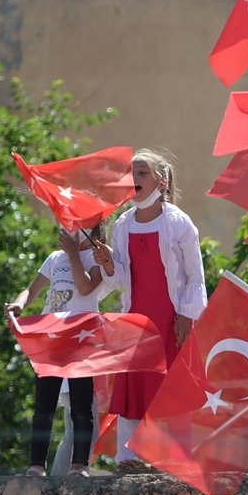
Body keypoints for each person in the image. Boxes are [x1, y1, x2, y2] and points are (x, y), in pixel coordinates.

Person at [92, 149, 207, 472]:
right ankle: (128, 458)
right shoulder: (123, 224)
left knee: (173, 391)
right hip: (137, 322)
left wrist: (186, 316)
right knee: (134, 390)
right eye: (132, 173)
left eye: (141, 173)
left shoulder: (179, 222)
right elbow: (121, 279)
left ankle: (177, 458)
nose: (134, 179)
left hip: (172, 321)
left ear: (161, 181)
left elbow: (195, 276)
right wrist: (109, 263)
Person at [5, 224, 109, 476]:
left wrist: (74, 254)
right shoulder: (54, 258)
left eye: (78, 226)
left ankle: (79, 464)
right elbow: (32, 289)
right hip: (51, 336)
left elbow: (86, 288)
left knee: (81, 403)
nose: (69, 229)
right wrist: (19, 303)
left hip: (80, 338)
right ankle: (37, 465)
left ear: (91, 232)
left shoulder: (94, 258)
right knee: (44, 404)